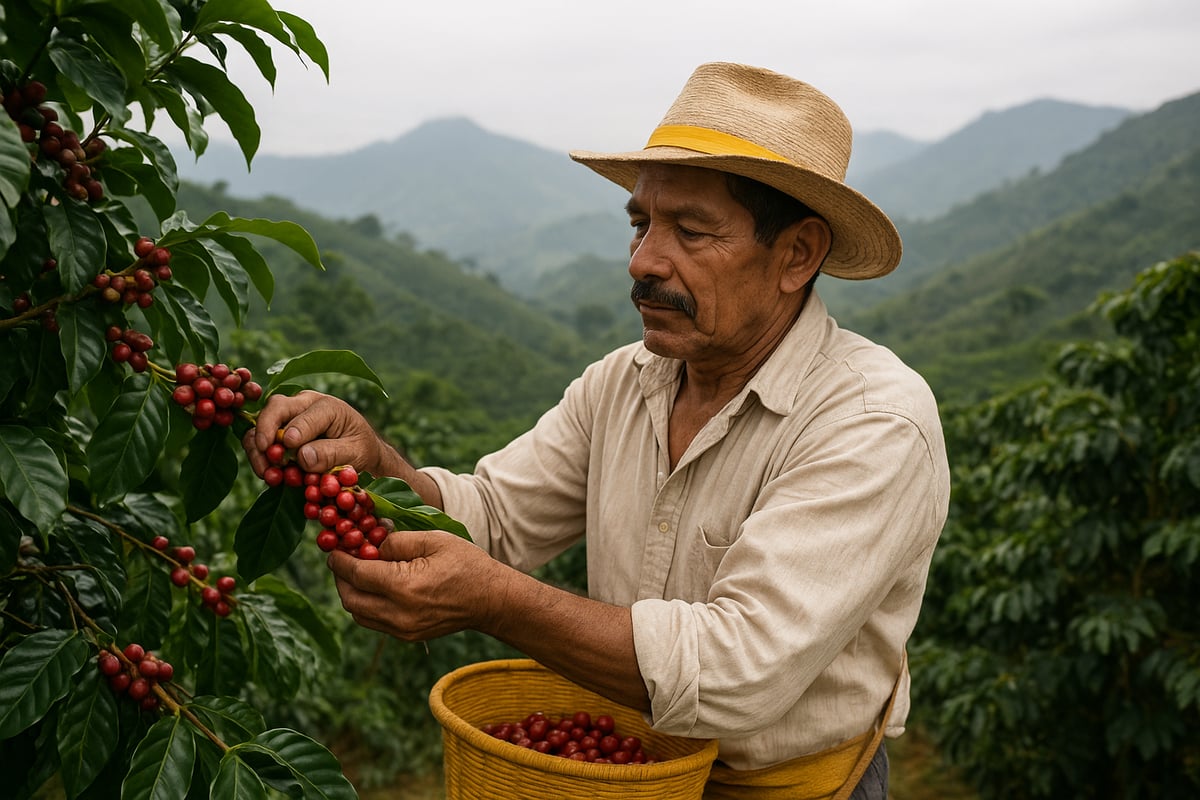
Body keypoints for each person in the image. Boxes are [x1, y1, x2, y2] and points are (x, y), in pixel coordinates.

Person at [245, 62, 950, 800]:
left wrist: (497, 601)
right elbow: (490, 517)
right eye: (642, 223)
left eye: (692, 230)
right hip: (631, 772)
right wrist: (375, 458)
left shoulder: (871, 421)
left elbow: (739, 671)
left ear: (797, 255)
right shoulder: (624, 382)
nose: (643, 262)